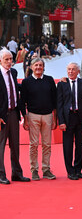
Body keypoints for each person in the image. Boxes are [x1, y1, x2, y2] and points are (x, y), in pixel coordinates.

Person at [21, 58, 57, 180]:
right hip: (33, 116)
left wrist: (55, 118)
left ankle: (46, 169)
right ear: (31, 67)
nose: (38, 67)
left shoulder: (49, 80)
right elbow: (22, 102)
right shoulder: (26, 82)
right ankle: (34, 170)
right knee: (34, 144)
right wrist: (25, 118)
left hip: (48, 115)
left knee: (47, 144)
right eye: (36, 65)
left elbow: (55, 100)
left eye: (40, 65)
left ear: (43, 67)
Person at [57, 63, 82, 180]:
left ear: (78, 71)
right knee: (67, 145)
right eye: (69, 70)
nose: (71, 72)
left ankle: (78, 169)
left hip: (80, 117)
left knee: (80, 145)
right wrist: (61, 121)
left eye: (73, 70)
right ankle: (70, 171)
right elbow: (59, 104)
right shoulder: (62, 84)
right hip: (67, 118)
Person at [0, 49, 30, 184]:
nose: (9, 62)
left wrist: (23, 114)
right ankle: (1, 175)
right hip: (1, 115)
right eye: (6, 59)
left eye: (11, 59)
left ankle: (17, 173)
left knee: (15, 145)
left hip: (13, 113)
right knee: (1, 146)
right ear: (0, 60)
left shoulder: (13, 72)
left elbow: (17, 92)